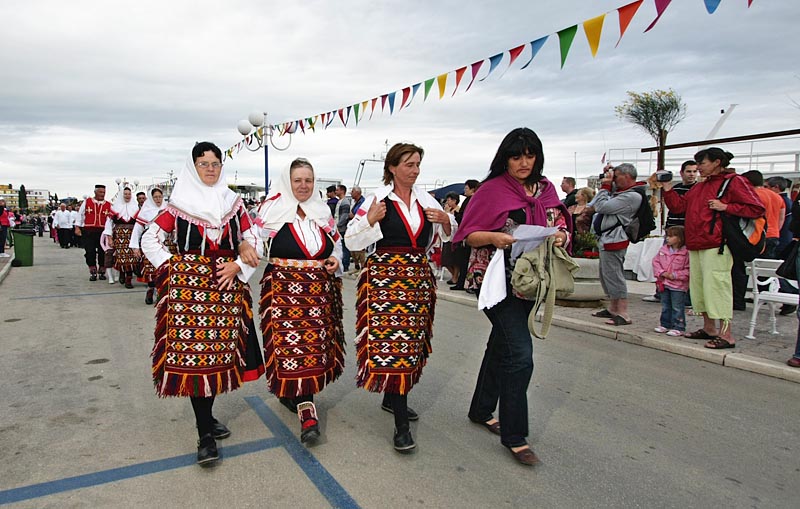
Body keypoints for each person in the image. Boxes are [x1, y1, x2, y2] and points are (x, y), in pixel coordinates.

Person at [141, 141, 264, 466]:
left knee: (219, 358)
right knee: (196, 362)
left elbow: (254, 238)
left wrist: (240, 264)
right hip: (190, 296)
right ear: (192, 167)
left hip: (226, 292)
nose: (211, 169)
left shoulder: (234, 205)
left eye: (215, 163)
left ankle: (207, 419)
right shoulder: (176, 207)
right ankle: (204, 433)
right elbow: (148, 239)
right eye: (203, 163)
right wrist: (175, 269)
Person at [454, 127, 570, 466]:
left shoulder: (547, 190)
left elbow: (562, 223)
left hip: (532, 281)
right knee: (520, 354)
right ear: (505, 158)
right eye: (516, 155)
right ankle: (515, 435)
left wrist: (561, 236)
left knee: (501, 345)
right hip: (496, 282)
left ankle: (480, 409)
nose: (523, 162)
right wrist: (494, 236)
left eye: (529, 155)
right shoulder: (491, 190)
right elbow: (468, 236)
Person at [345, 142, 452, 454]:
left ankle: (392, 398)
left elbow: (447, 234)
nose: (415, 170)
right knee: (395, 345)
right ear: (392, 167)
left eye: (418, 164)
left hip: (417, 279)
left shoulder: (426, 199)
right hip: (385, 282)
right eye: (409, 164)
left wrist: (445, 220)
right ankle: (401, 424)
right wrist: (369, 220)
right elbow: (351, 238)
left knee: (412, 342)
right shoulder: (377, 199)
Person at [256, 158, 345, 444]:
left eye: (308, 180)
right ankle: (308, 413)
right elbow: (253, 242)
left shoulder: (322, 211)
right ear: (288, 181)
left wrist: (335, 258)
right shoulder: (271, 211)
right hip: (283, 291)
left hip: (318, 293)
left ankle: (293, 395)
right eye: (298, 180)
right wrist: (242, 254)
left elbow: (338, 241)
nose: (304, 185)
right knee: (289, 348)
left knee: (313, 348)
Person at [662, 148, 765, 349]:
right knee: (701, 289)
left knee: (718, 287)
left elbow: (756, 208)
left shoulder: (734, 181)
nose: (699, 167)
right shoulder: (701, 186)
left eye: (702, 163)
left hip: (717, 244)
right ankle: (709, 328)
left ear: (717, 162)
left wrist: (726, 207)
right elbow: (679, 207)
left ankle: (727, 334)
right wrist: (667, 186)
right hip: (697, 243)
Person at [590, 163, 646, 326]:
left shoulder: (632, 196)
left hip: (616, 240)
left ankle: (623, 312)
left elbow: (601, 206)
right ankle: (613, 308)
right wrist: (608, 176)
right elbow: (598, 201)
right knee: (607, 275)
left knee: (615, 276)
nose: (613, 180)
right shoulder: (621, 193)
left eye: (617, 176)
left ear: (627, 177)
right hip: (608, 239)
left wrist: (606, 184)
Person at [643, 160, 699, 303]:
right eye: (689, 171)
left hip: (686, 232)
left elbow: (678, 206)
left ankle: (685, 297)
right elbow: (672, 207)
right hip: (672, 229)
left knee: (683, 265)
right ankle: (661, 292)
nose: (692, 175)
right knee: (665, 262)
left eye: (694, 171)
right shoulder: (677, 188)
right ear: (682, 173)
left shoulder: (697, 189)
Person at [130, 188, 171, 304]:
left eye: (160, 197)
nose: (158, 199)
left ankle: (162, 294)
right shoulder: (146, 211)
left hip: (166, 242)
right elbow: (138, 229)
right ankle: (150, 289)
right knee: (152, 269)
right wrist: (135, 246)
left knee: (164, 268)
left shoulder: (167, 209)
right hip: (151, 242)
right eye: (155, 197)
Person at [652, 226, 689, 336]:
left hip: (678, 285)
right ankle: (665, 324)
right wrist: (661, 273)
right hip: (664, 282)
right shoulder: (663, 250)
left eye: (671, 236)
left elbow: (689, 270)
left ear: (680, 238)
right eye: (667, 236)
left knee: (677, 306)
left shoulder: (686, 252)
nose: (668, 238)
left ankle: (679, 326)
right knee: (665, 305)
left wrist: (675, 275)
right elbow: (655, 262)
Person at [103, 187, 140, 289]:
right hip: (119, 236)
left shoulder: (135, 208)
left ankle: (128, 278)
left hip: (132, 235)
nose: (127, 196)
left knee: (132, 257)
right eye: (125, 194)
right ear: (121, 195)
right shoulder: (115, 208)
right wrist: (109, 238)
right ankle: (122, 273)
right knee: (122, 257)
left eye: (129, 194)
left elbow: (139, 224)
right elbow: (108, 223)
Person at [75, 185, 114, 281]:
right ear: (95, 192)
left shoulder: (109, 205)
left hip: (102, 232)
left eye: (104, 192)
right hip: (89, 231)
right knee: (90, 252)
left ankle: (102, 271)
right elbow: (80, 215)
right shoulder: (87, 202)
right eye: (100, 192)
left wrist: (111, 233)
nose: (102, 194)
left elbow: (111, 220)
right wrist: (77, 227)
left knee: (103, 252)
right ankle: (92, 270)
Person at [450, 179, 480, 291]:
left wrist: (456, 216)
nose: (464, 190)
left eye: (466, 188)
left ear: (472, 189)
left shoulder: (470, 200)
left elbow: (464, 217)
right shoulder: (476, 200)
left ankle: (462, 282)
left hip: (467, 233)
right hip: (473, 232)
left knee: (464, 260)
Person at [441, 192, 461, 284]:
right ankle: (454, 275)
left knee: (454, 259)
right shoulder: (448, 211)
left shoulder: (458, 211)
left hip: (455, 237)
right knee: (445, 260)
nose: (447, 202)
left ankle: (455, 276)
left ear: (454, 201)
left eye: (449, 200)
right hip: (447, 237)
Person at [348, 186, 366, 272]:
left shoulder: (363, 202)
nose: (351, 193)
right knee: (353, 247)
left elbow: (360, 214)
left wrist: (353, 215)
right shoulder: (355, 202)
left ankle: (362, 267)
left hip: (360, 227)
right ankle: (356, 266)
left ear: (358, 192)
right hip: (353, 227)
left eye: (352, 191)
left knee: (360, 248)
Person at [334, 185, 352, 272]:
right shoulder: (339, 201)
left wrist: (337, 225)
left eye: (337, 190)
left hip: (342, 228)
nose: (335, 192)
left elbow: (344, 216)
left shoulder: (345, 202)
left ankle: (345, 264)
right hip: (338, 227)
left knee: (344, 247)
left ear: (342, 191)